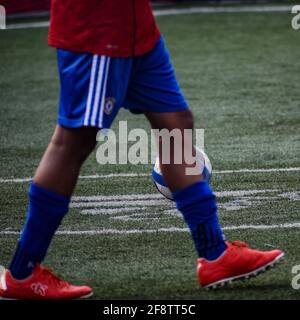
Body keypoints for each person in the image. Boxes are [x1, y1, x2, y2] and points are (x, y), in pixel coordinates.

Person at [0, 0, 284, 299]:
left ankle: (215, 254)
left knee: (176, 122)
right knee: (75, 140)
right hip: (98, 26)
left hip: (137, 27)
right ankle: (23, 272)